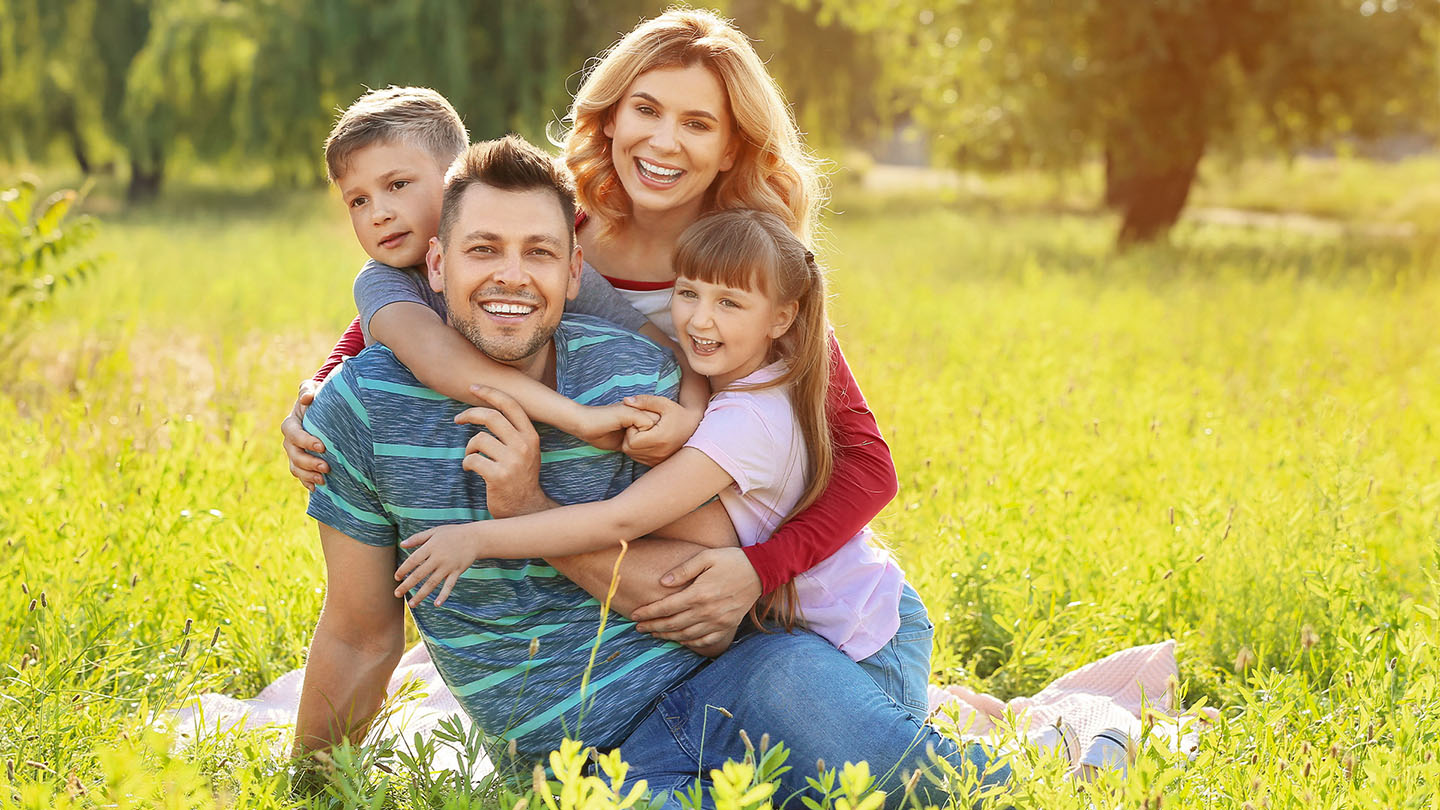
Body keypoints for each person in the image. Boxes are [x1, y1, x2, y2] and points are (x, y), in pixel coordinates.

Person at [296, 134, 1009, 806]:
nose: (512, 276)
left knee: (948, 794)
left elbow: (686, 605)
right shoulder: (359, 412)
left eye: (539, 253)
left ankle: (1069, 755)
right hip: (582, 764)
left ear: (575, 272)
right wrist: (306, 789)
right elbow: (360, 633)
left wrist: (525, 507)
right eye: (484, 249)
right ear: (436, 264)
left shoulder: (639, 389)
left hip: (740, 683)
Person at [281, 9, 901, 656]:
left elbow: (869, 465)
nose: (663, 142)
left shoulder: (743, 274)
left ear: (731, 149)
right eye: (647, 110)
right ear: (610, 117)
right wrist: (322, 388)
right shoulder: (555, 227)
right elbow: (428, 290)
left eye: (697, 124)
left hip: (774, 579)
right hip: (601, 567)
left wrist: (762, 568)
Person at [393, 208, 933, 721]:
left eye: (730, 303)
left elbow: (622, 519)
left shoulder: (750, 420)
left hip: (867, 638)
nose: (699, 319)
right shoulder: (761, 373)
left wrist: (477, 538)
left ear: (783, 316)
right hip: (810, 631)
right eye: (688, 293)